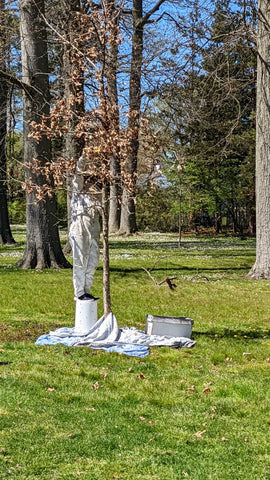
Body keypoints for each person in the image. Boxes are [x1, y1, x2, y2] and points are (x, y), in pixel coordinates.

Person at [69, 155, 102, 301]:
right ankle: (79, 293)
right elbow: (77, 176)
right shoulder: (78, 193)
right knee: (80, 262)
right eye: (88, 179)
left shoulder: (98, 198)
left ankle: (87, 291)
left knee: (92, 262)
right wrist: (85, 157)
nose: (91, 183)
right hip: (79, 231)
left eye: (93, 180)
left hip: (93, 234)